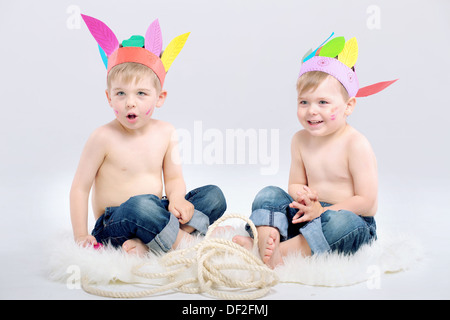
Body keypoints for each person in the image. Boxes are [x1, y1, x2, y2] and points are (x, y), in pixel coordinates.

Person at [233, 35, 397, 268]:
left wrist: (322, 210)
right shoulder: (300, 140)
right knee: (269, 193)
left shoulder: (355, 144)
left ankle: (282, 252)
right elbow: (294, 184)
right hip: (308, 213)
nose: (312, 111)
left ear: (348, 106)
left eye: (323, 102)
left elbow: (368, 203)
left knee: (343, 224)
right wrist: (304, 197)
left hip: (348, 218)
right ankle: (266, 242)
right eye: (304, 102)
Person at [70, 14, 226, 256]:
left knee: (214, 196)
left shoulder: (166, 132)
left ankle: (150, 245)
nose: (130, 103)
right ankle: (185, 241)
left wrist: (176, 199)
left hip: (158, 211)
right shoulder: (102, 137)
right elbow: (80, 188)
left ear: (159, 98)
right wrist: (81, 235)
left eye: (141, 93)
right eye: (121, 93)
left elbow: (174, 179)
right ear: (109, 97)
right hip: (117, 221)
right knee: (141, 205)